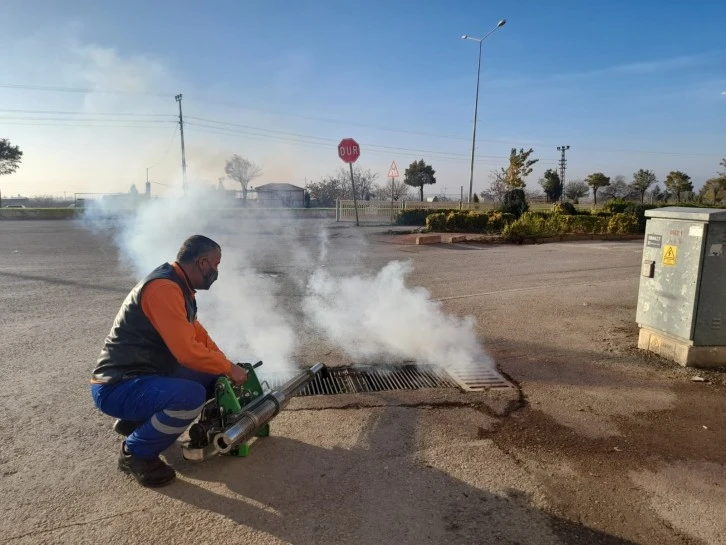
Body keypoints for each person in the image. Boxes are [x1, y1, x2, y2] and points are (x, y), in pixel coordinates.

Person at [90, 235, 248, 487]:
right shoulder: (163, 289)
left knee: (213, 378)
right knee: (189, 396)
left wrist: (225, 366)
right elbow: (187, 352)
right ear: (203, 263)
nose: (217, 272)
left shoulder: (179, 288)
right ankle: (135, 453)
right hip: (116, 386)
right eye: (216, 265)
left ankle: (136, 421)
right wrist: (228, 367)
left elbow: (198, 337)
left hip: (141, 377)